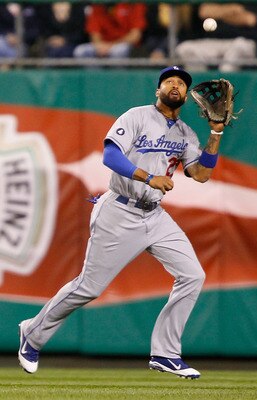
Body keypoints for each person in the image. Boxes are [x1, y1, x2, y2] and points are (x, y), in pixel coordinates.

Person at [18, 66, 226, 379]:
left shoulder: (185, 134)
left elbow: (202, 174)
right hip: (119, 210)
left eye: (181, 83)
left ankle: (165, 354)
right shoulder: (136, 116)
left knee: (192, 275)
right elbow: (110, 156)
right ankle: (32, 334)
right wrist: (148, 177)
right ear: (157, 90)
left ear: (186, 95)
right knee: (89, 287)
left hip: (155, 215)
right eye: (168, 80)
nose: (175, 85)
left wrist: (216, 133)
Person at [175, 2, 257, 71]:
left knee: (239, 47)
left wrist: (217, 12)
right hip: (212, 42)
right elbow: (204, 11)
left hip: (240, 41)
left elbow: (249, 19)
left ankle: (224, 88)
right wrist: (233, 10)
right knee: (185, 48)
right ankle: (201, 87)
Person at [73, 2, 146, 59]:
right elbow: (94, 34)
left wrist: (111, 45)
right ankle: (94, 77)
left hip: (124, 45)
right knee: (81, 51)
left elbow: (135, 36)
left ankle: (118, 77)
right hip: (103, 45)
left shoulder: (134, 4)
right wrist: (100, 45)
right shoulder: (98, 6)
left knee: (119, 50)